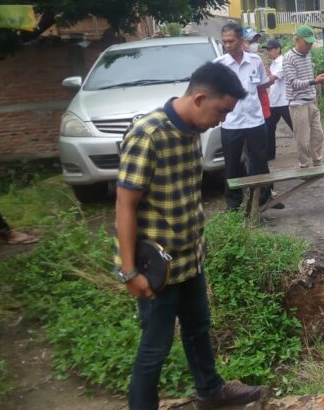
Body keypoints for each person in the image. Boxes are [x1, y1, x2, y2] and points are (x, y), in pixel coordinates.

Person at [115, 62, 265, 410]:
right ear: (199, 98)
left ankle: (211, 393)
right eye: (221, 111)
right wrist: (128, 271)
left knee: (198, 328)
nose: (223, 120)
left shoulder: (192, 130)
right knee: (155, 345)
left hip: (190, 257)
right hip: (156, 266)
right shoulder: (148, 134)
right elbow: (124, 204)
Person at [215, 23, 282, 210]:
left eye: (231, 41)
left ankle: (263, 198)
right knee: (232, 165)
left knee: (260, 162)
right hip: (231, 123)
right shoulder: (219, 65)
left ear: (241, 40)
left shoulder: (255, 61)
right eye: (225, 42)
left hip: (255, 121)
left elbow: (261, 85)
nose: (228, 45)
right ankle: (233, 204)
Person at [283, 25, 324, 168]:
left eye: (311, 43)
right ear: (297, 39)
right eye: (307, 42)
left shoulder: (308, 55)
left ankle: (317, 162)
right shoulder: (289, 58)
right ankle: (304, 166)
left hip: (311, 100)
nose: (309, 46)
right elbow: (294, 83)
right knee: (302, 140)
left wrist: (318, 80)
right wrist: (314, 81)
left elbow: (309, 77)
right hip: (297, 103)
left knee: (318, 135)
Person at [264, 39, 293, 161]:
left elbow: (272, 79)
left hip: (284, 102)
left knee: (296, 127)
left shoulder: (282, 62)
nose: (268, 52)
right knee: (269, 128)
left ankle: (309, 150)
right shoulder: (273, 63)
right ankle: (270, 154)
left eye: (270, 49)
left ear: (278, 49)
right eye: (267, 49)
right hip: (274, 101)